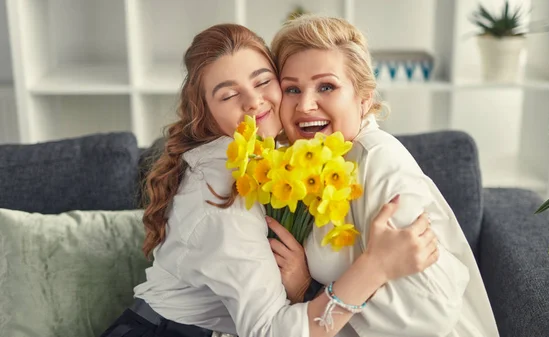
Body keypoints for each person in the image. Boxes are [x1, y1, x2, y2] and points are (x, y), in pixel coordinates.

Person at [99, 23, 438, 337]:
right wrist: (375, 267)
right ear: (206, 113)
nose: (253, 102)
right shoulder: (223, 185)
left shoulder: (277, 151)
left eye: (262, 81)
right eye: (228, 95)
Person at [269, 14, 500, 336]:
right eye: (292, 89)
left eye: (326, 86)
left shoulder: (378, 162)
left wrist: (313, 288)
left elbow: (427, 315)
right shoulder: (299, 168)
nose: (306, 104)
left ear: (364, 99)